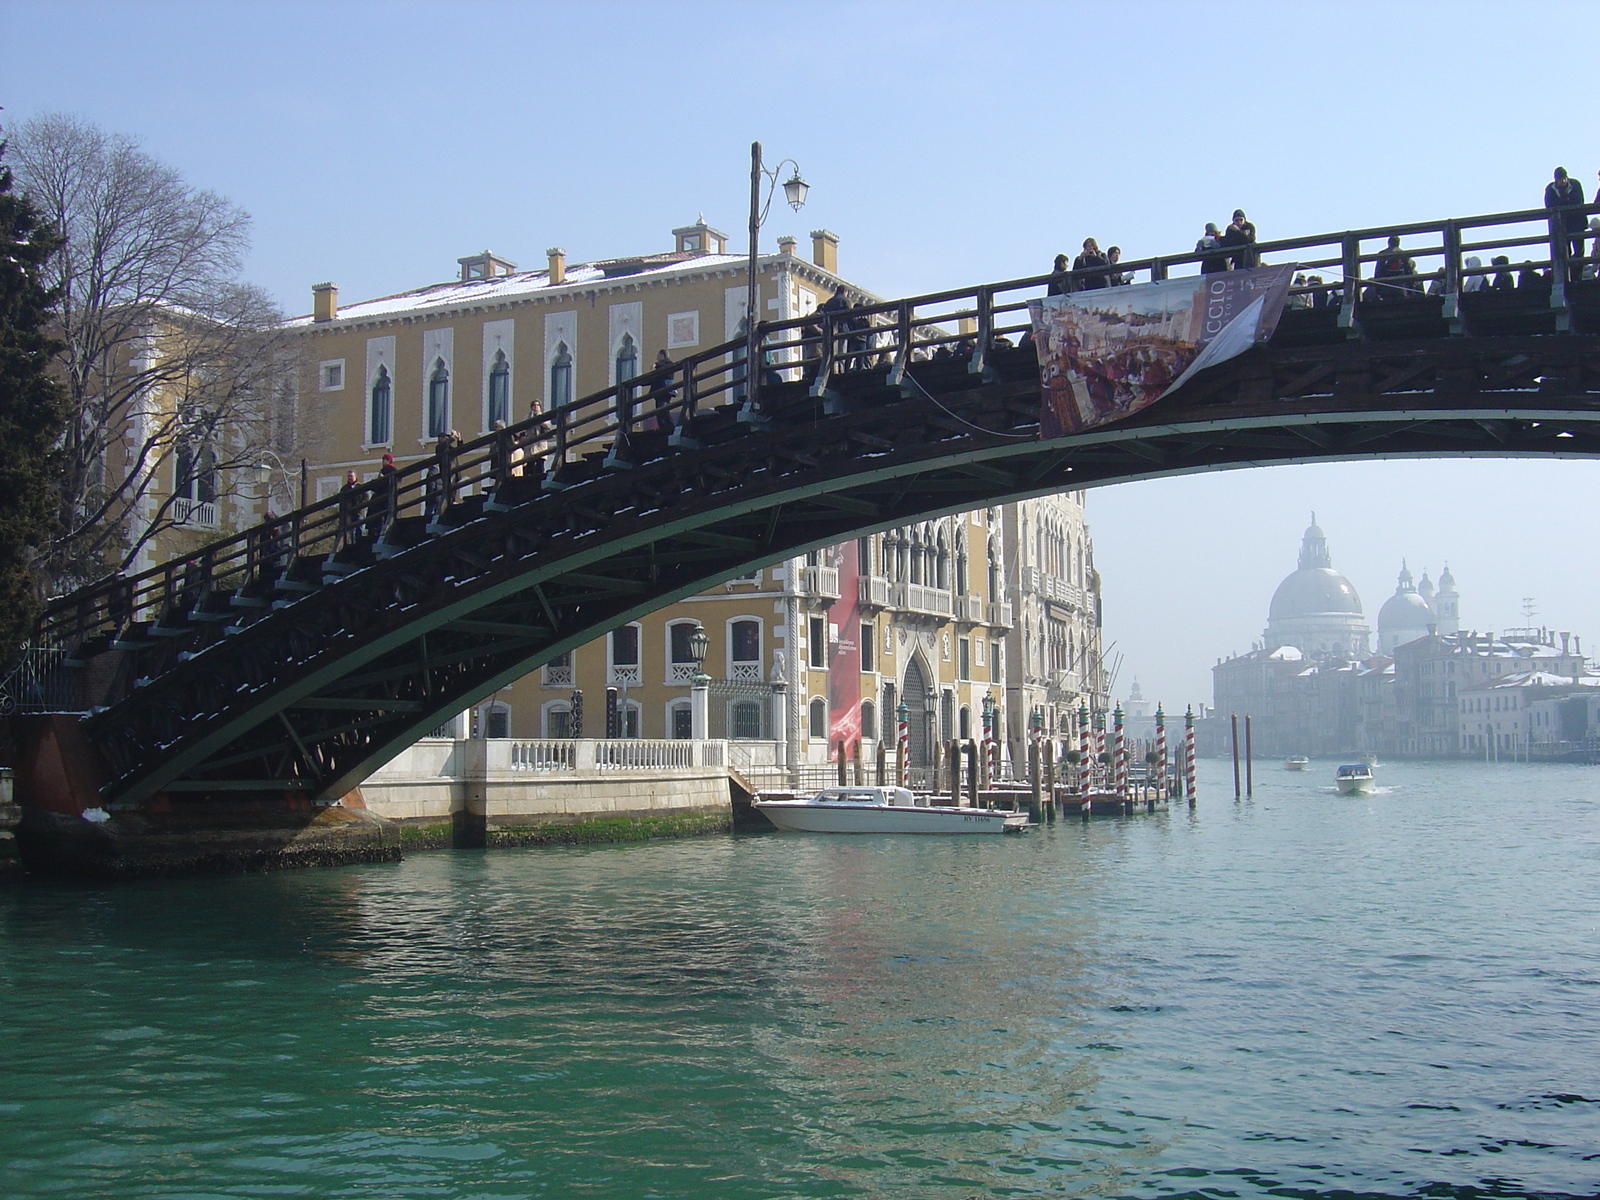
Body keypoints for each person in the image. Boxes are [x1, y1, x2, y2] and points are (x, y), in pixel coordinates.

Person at [1544, 166, 1586, 280]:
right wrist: (1566, 202)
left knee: (1579, 252)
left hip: (1577, 223)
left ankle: (1577, 277)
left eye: (1564, 178)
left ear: (1567, 178)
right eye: (1560, 179)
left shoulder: (1575, 184)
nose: (1562, 181)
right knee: (1563, 252)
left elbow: (1578, 201)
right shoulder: (1550, 189)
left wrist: (1561, 204)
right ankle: (1565, 278)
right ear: (1555, 180)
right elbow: (1549, 204)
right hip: (1560, 225)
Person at [1371, 235, 1417, 301]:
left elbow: (1378, 272)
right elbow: (1409, 272)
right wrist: (1411, 290)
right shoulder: (1404, 254)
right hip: (1401, 288)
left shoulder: (1382, 254)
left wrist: (1377, 291)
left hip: (1385, 289)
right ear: (1399, 243)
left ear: (1388, 243)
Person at [365, 451, 397, 539]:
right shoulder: (388, 470)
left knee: (382, 514)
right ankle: (379, 529)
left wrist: (380, 480)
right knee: (382, 514)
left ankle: (380, 531)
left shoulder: (390, 471)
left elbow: (387, 484)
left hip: (385, 496)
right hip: (385, 496)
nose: (382, 461)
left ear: (388, 461)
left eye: (384, 460)